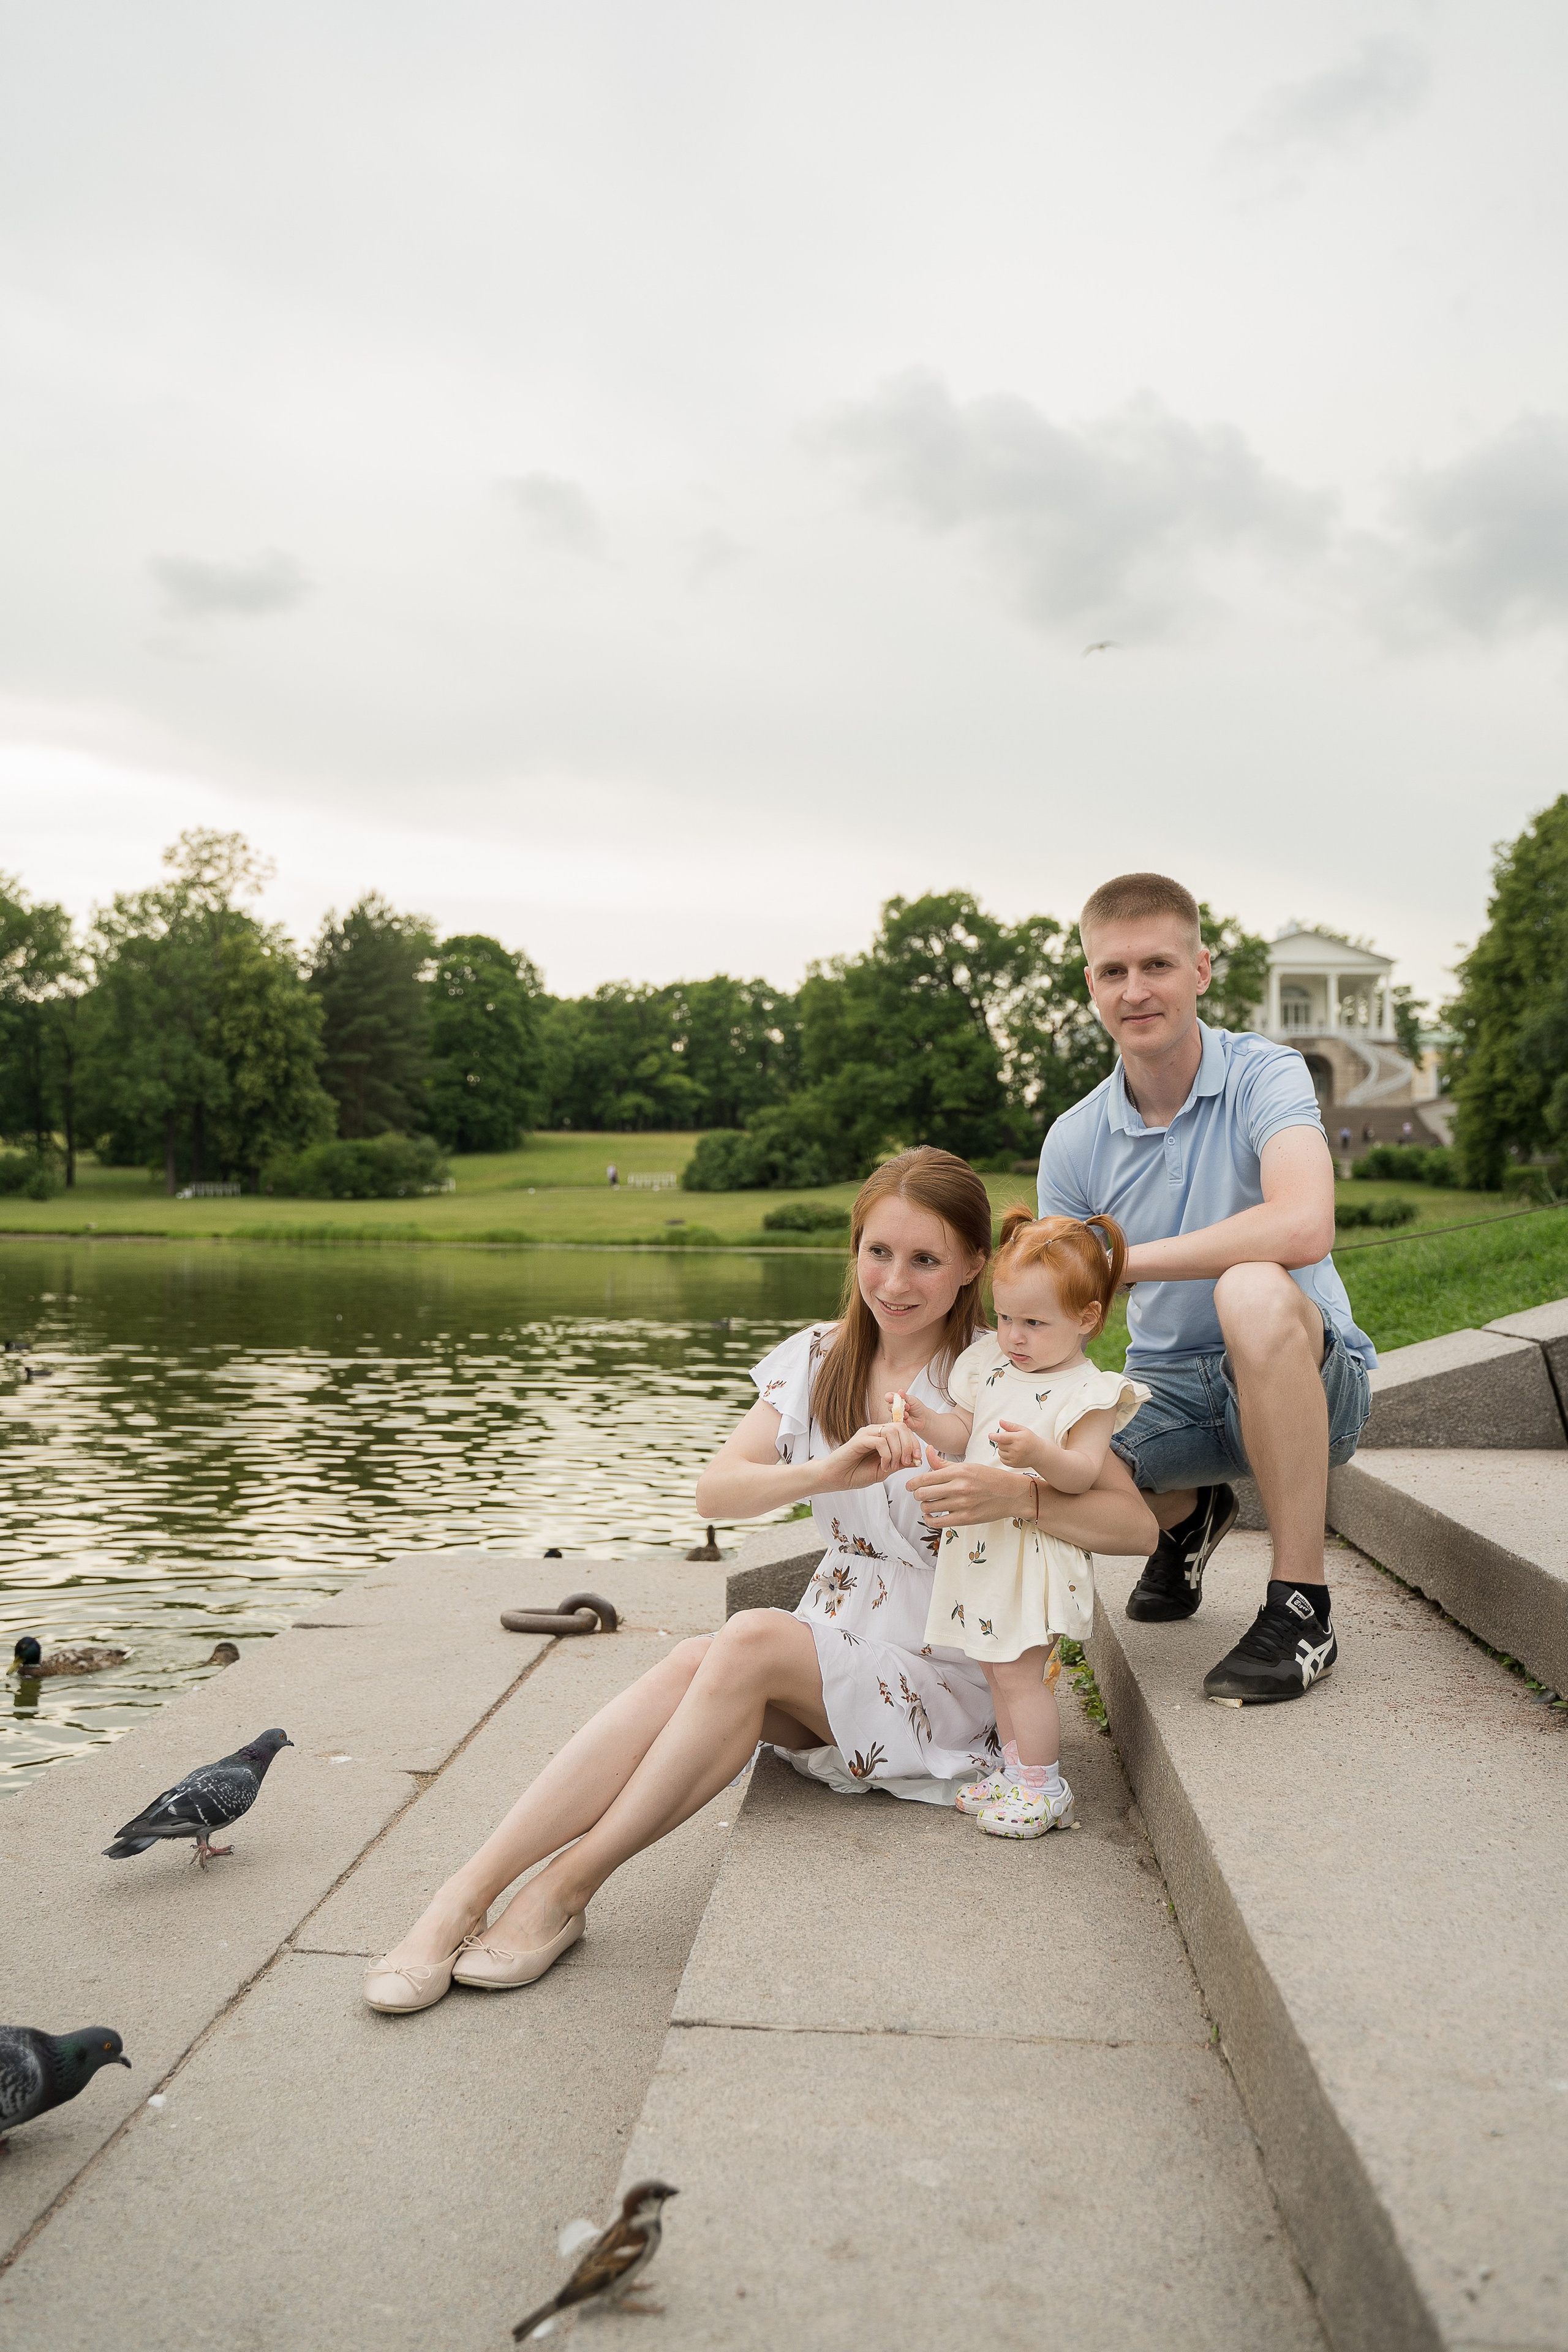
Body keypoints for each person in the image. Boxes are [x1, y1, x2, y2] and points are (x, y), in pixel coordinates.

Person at [363, 1147, 1157, 2015]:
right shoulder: (820, 1357)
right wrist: (828, 1474)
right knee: (690, 1665)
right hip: (835, 1641)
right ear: (854, 1252)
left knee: (741, 1642)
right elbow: (716, 1490)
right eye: (878, 1252)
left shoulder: (1006, 1365)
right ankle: (461, 1898)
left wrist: (1022, 1494)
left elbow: (1134, 1527)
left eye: (926, 1259)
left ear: (974, 1265)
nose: (896, 1281)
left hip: (951, 1666)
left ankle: (561, 1893)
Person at [1038, 872, 1374, 1706]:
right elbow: (1055, 1319)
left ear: (1201, 970)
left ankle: (1303, 1607)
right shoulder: (1075, 1140)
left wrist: (1124, 1259)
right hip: (1171, 1391)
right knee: (1044, 1452)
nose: (1136, 990)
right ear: (1091, 985)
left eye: (1157, 964)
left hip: (1307, 1375)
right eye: (1113, 972)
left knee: (1253, 1290)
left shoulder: (1269, 1074)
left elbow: (1304, 1226)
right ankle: (1188, 1513)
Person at [899, 1208, 1148, 1839]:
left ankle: (1045, 1786)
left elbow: (1081, 1475)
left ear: (1086, 1318)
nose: (1014, 1335)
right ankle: (1016, 1773)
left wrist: (1039, 1456)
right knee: (993, 1668)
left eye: (1034, 1324)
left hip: (1033, 1555)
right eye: (1007, 1317)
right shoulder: (993, 1365)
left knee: (1020, 1673)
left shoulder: (1087, 1393)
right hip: (983, 1546)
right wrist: (924, 1422)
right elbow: (963, 1429)